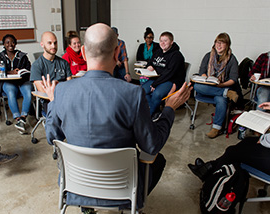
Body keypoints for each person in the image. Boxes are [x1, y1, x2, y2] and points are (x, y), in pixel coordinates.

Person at [41, 23, 192, 213]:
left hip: (75, 187)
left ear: (85, 54)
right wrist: (169, 108)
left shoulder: (62, 91)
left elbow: (51, 136)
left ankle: (87, 205)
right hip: (122, 191)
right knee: (157, 159)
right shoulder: (133, 94)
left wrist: (54, 102)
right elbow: (151, 145)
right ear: (116, 54)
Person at [188, 51, 270, 184]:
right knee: (246, 143)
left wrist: (264, 139)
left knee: (234, 151)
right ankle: (208, 168)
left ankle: (210, 180)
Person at [193, 32, 239, 139]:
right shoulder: (208, 56)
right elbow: (202, 72)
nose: (219, 45)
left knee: (221, 100)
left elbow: (233, 79)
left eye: (222, 43)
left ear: (227, 45)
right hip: (207, 87)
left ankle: (216, 128)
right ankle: (227, 93)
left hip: (222, 86)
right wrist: (206, 79)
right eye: (217, 42)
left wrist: (221, 85)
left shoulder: (232, 59)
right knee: (196, 86)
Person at [0, 34, 32, 134]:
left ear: (16, 43)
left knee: (28, 92)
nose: (10, 44)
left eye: (12, 42)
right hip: (8, 82)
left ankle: (23, 117)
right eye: (7, 42)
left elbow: (28, 69)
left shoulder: (22, 56)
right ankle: (17, 118)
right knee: (10, 91)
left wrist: (20, 72)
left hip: (22, 81)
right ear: (4, 44)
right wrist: (10, 72)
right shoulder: (0, 56)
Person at [142, 31, 185, 117]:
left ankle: (148, 116)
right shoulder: (158, 51)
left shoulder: (177, 55)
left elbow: (169, 73)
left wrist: (155, 84)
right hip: (156, 78)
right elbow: (150, 62)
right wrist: (150, 65)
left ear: (171, 42)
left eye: (165, 40)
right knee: (142, 91)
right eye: (161, 40)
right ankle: (155, 110)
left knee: (156, 94)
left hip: (170, 80)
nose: (162, 43)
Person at [30, 31, 72, 112]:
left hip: (65, 98)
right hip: (48, 100)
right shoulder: (37, 65)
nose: (53, 46)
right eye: (49, 43)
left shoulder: (64, 63)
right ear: (42, 45)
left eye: (55, 43)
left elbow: (70, 84)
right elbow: (42, 90)